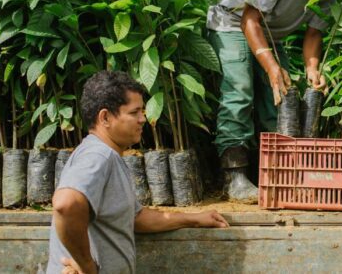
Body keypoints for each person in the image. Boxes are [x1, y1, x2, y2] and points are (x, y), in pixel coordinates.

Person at [206, 0, 342, 202]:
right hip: (232, 22)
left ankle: (276, 174)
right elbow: (249, 21)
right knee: (241, 90)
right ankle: (234, 177)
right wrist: (271, 66)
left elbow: (314, 34)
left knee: (284, 96)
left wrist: (312, 69)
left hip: (270, 33)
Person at [47, 71, 228, 274]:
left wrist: (193, 219)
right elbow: (66, 204)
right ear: (105, 117)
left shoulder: (110, 157)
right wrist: (86, 265)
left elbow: (135, 218)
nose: (143, 119)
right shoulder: (98, 156)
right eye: (134, 113)